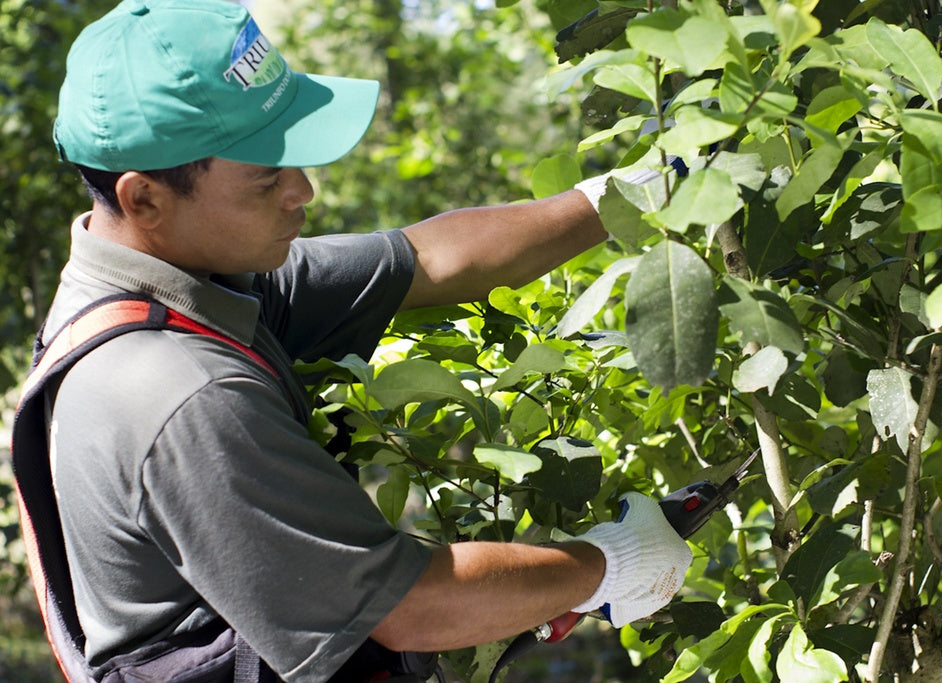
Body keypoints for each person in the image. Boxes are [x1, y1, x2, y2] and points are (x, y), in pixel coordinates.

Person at [23, 0, 694, 680]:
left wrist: (638, 188)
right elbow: (412, 605)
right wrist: (608, 564)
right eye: (266, 180)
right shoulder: (179, 392)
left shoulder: (186, 281)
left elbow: (433, 258)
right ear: (144, 199)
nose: (303, 190)